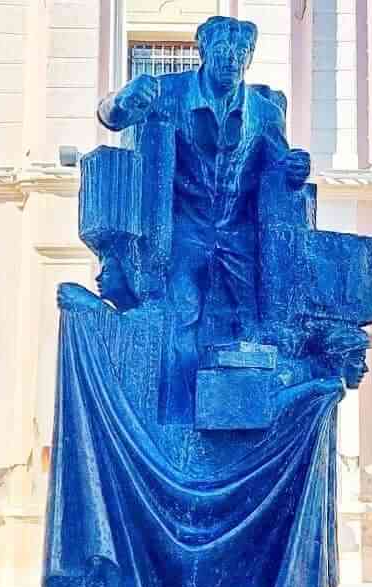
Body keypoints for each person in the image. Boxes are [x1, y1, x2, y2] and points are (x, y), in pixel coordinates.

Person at [97, 15, 312, 424]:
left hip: (237, 231)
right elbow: (111, 117)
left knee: (251, 319)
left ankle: (245, 415)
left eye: (241, 52)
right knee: (181, 315)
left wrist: (294, 168)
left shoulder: (264, 112)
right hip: (186, 228)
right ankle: (179, 415)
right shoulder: (169, 92)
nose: (231, 59)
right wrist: (125, 97)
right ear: (203, 51)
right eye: (222, 51)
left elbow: (278, 165)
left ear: (249, 58)